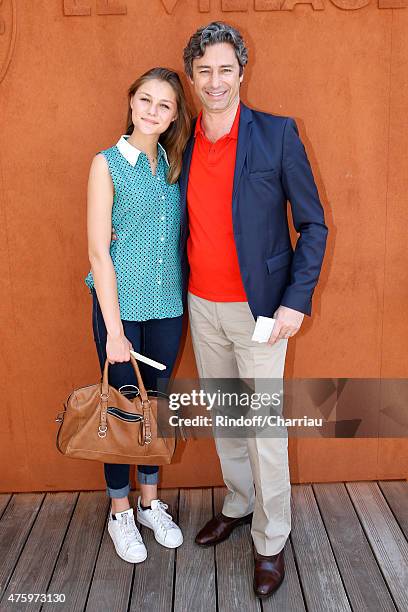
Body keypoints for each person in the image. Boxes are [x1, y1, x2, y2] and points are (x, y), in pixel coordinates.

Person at [180, 23, 328, 598]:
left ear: (242, 71)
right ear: (192, 78)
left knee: (264, 429)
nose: (215, 82)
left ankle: (271, 539)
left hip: (262, 311)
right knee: (228, 420)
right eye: (204, 71)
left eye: (225, 69)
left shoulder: (276, 134)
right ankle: (240, 504)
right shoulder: (184, 142)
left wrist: (296, 301)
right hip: (201, 307)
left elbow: (313, 224)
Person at [85, 67, 191, 563]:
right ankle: (121, 513)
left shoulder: (173, 164)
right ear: (131, 103)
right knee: (122, 408)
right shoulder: (106, 164)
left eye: (164, 104)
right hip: (120, 311)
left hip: (169, 307)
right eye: (145, 100)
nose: (152, 111)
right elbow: (99, 254)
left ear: (174, 115)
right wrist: (112, 331)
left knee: (156, 408)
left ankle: (150, 503)